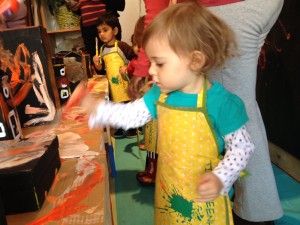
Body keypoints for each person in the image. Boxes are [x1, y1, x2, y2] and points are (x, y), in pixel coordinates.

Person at [87, 3, 255, 224]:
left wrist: (220, 178)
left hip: (205, 206)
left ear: (195, 60)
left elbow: (242, 148)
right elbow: (130, 116)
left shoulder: (221, 103)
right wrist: (96, 109)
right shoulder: (159, 94)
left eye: (160, 63)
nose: (151, 71)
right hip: (169, 196)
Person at [128, 0, 284, 224]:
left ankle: (255, 212)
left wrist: (143, 66)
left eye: (158, 64)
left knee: (232, 110)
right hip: (257, 5)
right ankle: (254, 207)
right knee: (239, 105)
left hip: (228, 5)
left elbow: (156, 9)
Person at [93, 12, 137, 138]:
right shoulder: (102, 50)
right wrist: (97, 64)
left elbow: (135, 60)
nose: (101, 34)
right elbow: (101, 71)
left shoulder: (122, 46)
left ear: (115, 30)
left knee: (128, 105)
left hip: (125, 84)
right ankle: (119, 128)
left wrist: (128, 68)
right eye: (99, 31)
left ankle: (131, 128)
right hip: (113, 86)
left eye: (105, 30)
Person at [66, 0, 125, 71]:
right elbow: (82, 9)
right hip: (88, 30)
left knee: (115, 62)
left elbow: (120, 5)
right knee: (97, 65)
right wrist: (75, 7)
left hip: (107, 25)